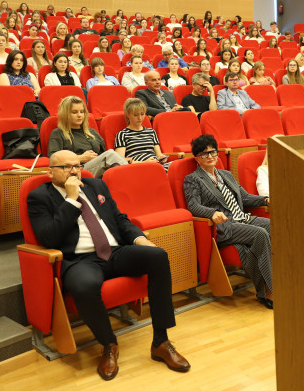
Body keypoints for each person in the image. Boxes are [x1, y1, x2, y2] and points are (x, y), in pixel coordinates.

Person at [27, 149, 189, 380]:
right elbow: (49, 238)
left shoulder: (97, 187)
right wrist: (71, 200)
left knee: (158, 256)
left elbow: (120, 219)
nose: (74, 171)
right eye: (65, 167)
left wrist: (142, 241)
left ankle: (160, 342)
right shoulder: (39, 197)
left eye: (76, 165)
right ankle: (109, 344)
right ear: (50, 171)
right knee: (83, 286)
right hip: (80, 259)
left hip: (114, 251)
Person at [183, 134, 272, 308]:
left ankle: (281, 280)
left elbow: (245, 197)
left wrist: (265, 200)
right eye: (204, 154)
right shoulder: (193, 179)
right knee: (260, 234)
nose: (210, 157)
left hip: (243, 219)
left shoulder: (226, 175)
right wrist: (212, 213)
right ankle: (270, 291)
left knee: (274, 226)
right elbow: (193, 206)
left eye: (212, 152)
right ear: (197, 158)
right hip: (225, 226)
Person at [48, 96, 127, 177]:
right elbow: (54, 159)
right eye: (74, 112)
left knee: (113, 163)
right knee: (111, 155)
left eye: (82, 112)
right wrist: (80, 158)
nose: (79, 115)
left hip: (97, 168)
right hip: (75, 170)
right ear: (65, 114)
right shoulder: (58, 133)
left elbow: (102, 154)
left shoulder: (92, 132)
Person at [114, 98, 168, 164]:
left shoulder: (151, 132)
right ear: (128, 115)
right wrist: (143, 163)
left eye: (142, 114)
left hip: (155, 164)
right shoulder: (122, 134)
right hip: (138, 167)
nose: (140, 118)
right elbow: (120, 160)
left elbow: (159, 154)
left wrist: (162, 158)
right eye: (136, 115)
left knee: (177, 166)